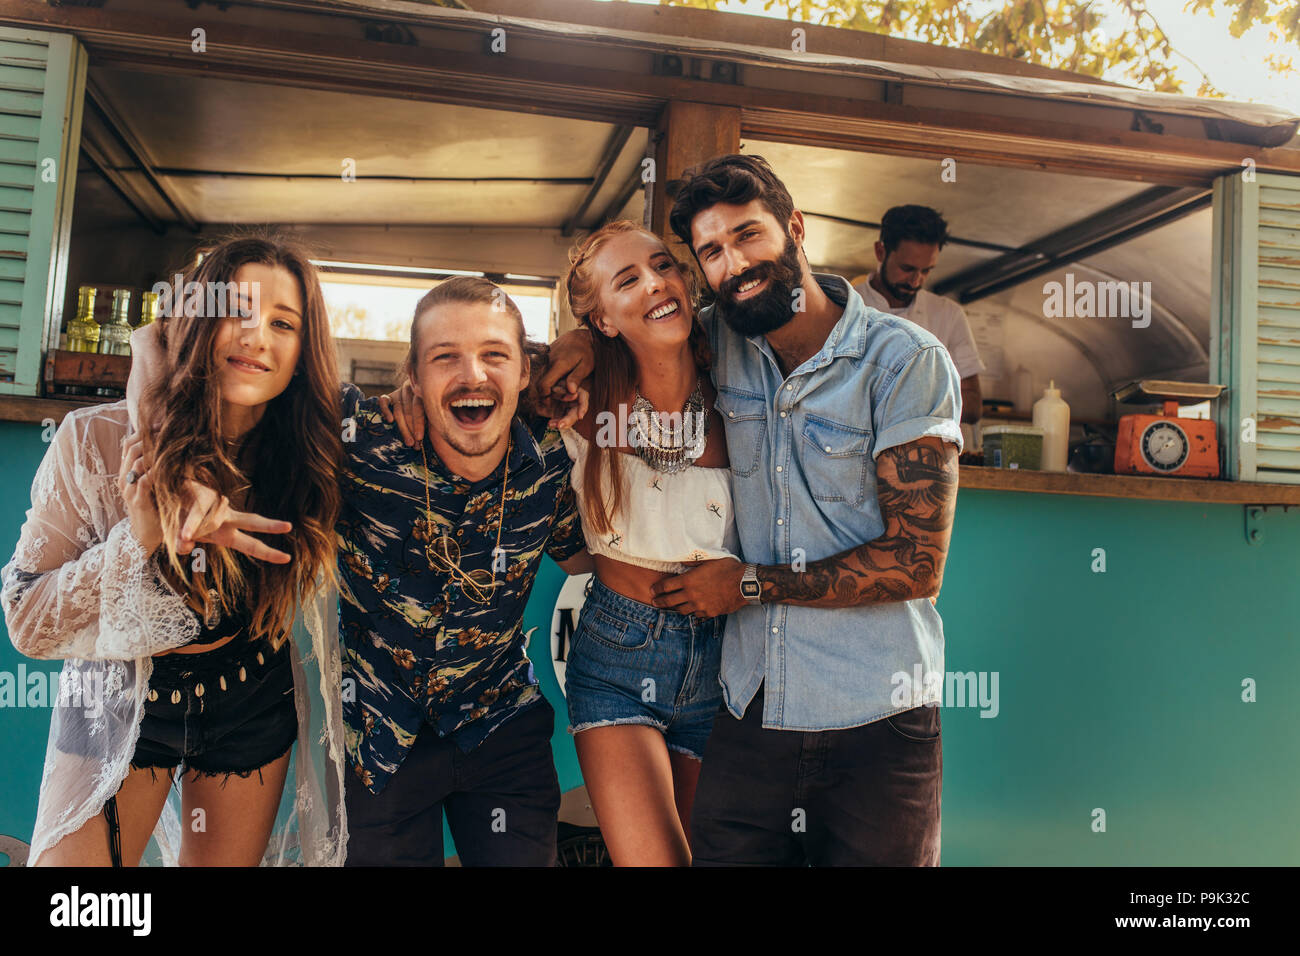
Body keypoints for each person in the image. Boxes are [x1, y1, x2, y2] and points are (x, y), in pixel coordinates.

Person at [543, 154, 963, 865]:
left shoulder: (905, 361)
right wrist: (577, 342)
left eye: (748, 236)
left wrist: (747, 584)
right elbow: (627, 325)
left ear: (795, 228)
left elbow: (917, 565)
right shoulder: (721, 344)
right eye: (710, 251)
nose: (733, 263)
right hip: (750, 702)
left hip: (875, 711)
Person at [1, 236, 348, 866]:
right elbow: (27, 623)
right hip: (118, 695)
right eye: (237, 312)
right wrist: (139, 535)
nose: (257, 337)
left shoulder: (310, 453)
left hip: (248, 697)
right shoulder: (95, 441)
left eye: (283, 324)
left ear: (303, 352)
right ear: (199, 320)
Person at [341, 277, 592, 866]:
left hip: (501, 724)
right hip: (382, 734)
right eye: (444, 357)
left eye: (494, 355)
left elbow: (594, 561)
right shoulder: (359, 443)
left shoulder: (550, 460)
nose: (473, 375)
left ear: (525, 372)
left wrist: (590, 351)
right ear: (414, 375)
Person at [559, 220, 738, 864]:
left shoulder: (739, 394)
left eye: (664, 267)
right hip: (618, 658)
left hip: (727, 661)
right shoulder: (580, 397)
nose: (657, 284)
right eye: (628, 280)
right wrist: (569, 344)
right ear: (601, 319)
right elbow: (497, 372)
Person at [852, 204, 986, 424]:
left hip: (925, 452)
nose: (916, 281)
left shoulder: (948, 315)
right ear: (880, 252)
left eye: (926, 271)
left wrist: (915, 399)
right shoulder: (845, 308)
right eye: (907, 269)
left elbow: (972, 407)